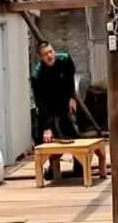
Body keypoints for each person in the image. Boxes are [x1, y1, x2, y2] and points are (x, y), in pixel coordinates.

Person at [30, 41, 83, 177]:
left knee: (74, 133)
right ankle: (52, 168)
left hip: (64, 98)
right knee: (48, 137)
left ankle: (79, 166)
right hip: (48, 103)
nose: (49, 55)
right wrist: (47, 126)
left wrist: (72, 97)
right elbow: (40, 102)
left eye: (51, 51)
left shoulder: (65, 59)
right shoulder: (37, 75)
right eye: (45, 54)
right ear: (41, 57)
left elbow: (70, 78)